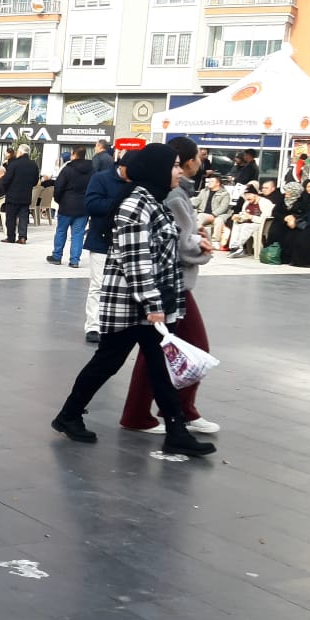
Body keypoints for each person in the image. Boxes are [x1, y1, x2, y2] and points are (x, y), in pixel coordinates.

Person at [52, 143, 215, 458]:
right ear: (157, 169)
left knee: (155, 368)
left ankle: (176, 432)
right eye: (174, 166)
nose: (179, 171)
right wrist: (153, 306)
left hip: (146, 304)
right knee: (107, 362)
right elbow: (136, 261)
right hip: (132, 306)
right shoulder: (136, 205)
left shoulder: (152, 201)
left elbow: (161, 248)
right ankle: (69, 415)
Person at [118, 136, 220, 437]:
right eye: (195, 158)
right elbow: (177, 244)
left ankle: (147, 412)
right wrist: (202, 248)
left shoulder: (171, 193)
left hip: (166, 284)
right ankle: (175, 411)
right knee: (191, 346)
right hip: (171, 284)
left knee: (153, 350)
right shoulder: (172, 196)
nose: (199, 163)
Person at [82, 150, 132, 343]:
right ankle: (93, 326)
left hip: (126, 242)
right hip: (101, 239)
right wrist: (121, 203)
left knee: (122, 287)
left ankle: (113, 324)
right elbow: (91, 204)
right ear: (122, 166)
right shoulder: (101, 178)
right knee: (98, 284)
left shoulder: (136, 182)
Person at [47, 147, 92, 268]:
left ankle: (57, 256)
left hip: (66, 205)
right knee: (78, 234)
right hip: (83, 207)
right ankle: (74, 260)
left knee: (61, 231)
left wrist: (59, 200)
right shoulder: (92, 170)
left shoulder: (67, 169)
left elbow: (58, 187)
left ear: (73, 154)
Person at [0, 142, 40, 244]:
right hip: (26, 195)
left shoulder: (14, 164)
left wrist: (7, 189)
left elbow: (6, 180)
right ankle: (22, 237)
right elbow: (35, 181)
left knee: (11, 217)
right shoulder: (33, 165)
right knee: (23, 217)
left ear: (20, 152)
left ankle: (11, 237)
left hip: (13, 195)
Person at [225, 183, 272, 258]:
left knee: (246, 226)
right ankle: (234, 247)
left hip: (262, 224)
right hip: (249, 223)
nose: (247, 197)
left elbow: (264, 219)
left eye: (249, 194)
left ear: (255, 194)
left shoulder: (264, 203)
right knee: (236, 223)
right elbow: (244, 214)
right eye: (245, 195)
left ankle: (238, 247)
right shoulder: (247, 203)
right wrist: (239, 218)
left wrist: (251, 217)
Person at [192, 174, 232, 246]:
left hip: (219, 215)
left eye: (212, 181)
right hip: (204, 214)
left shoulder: (225, 194)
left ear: (218, 183)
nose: (209, 183)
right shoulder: (204, 191)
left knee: (219, 221)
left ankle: (215, 242)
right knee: (199, 217)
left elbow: (224, 207)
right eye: (209, 181)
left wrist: (214, 214)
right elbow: (197, 200)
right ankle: (196, 238)